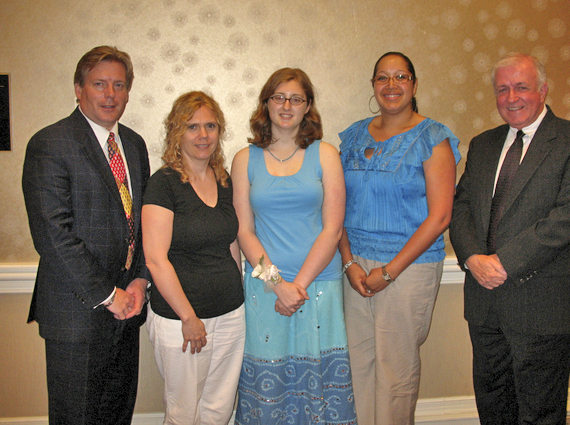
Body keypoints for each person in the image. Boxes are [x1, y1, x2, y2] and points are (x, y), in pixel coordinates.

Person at [449, 53, 570, 424]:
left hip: (543, 303)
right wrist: (472, 259)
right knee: (494, 408)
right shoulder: (483, 144)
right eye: (502, 89)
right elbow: (461, 208)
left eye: (521, 87)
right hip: (484, 303)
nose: (511, 97)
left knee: (540, 413)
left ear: (543, 90)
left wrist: (502, 262)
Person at [22, 46, 150, 424]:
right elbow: (52, 236)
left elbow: (139, 220)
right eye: (99, 84)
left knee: (117, 414)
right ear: (78, 89)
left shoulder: (135, 144)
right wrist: (109, 295)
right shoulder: (51, 143)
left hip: (128, 311)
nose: (110, 94)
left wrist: (141, 278)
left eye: (119, 85)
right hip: (76, 314)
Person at [339, 51, 460, 425]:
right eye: (382, 78)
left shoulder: (433, 137)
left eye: (401, 77)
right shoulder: (353, 134)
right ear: (373, 85)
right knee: (358, 366)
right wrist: (348, 262)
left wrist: (389, 272)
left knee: (396, 372)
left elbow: (440, 217)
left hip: (408, 269)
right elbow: (336, 205)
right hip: (355, 268)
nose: (391, 86)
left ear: (414, 84)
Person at [232, 68, 356, 424]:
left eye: (296, 99)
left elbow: (332, 230)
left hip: (318, 286)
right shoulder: (245, 159)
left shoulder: (326, 154)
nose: (286, 105)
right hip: (265, 289)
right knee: (269, 381)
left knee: (319, 381)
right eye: (278, 97)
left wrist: (296, 287)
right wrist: (278, 285)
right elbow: (244, 232)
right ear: (266, 103)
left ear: (308, 107)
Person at [142, 91, 245, 425]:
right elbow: (156, 259)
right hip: (181, 320)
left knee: (219, 408)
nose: (203, 135)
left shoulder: (225, 180)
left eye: (211, 126)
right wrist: (189, 317)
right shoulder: (164, 185)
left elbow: (232, 243)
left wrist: (246, 290)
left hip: (230, 313)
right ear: (177, 133)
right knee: (183, 411)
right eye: (192, 127)